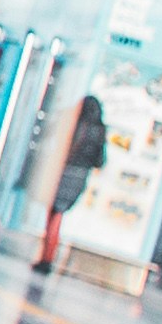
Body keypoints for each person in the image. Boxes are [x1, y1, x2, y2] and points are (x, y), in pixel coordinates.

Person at [39, 91, 111, 274]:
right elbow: (99, 161)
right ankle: (48, 256)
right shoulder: (100, 130)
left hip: (63, 171)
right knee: (58, 215)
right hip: (80, 176)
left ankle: (46, 257)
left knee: (53, 214)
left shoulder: (73, 122)